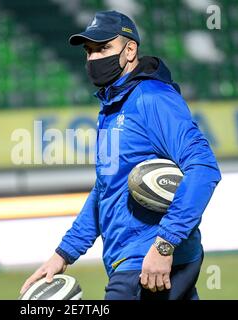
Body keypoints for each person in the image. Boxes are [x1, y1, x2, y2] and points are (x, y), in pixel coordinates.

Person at [20, 10, 221, 300]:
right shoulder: (112, 107)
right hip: (134, 259)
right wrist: (63, 254)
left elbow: (203, 168)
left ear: (130, 50)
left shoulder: (153, 98)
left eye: (103, 48)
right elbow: (105, 191)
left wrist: (164, 245)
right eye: (89, 51)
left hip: (148, 260)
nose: (93, 58)